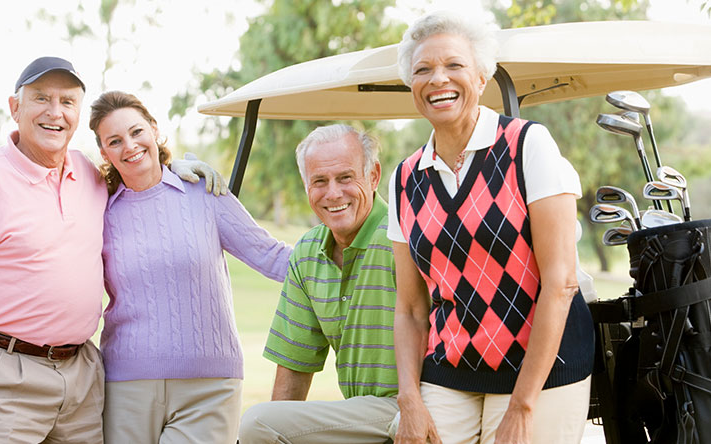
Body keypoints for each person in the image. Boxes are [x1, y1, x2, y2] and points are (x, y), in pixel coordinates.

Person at [0, 57, 221, 443]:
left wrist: (178, 165)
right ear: (15, 108)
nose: (55, 113)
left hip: (81, 378)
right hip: (3, 376)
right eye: (41, 99)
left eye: (67, 102)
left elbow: (137, 175)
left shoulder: (88, 174)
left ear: (78, 112)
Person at [390, 11, 595, 444]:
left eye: (454, 65)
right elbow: (410, 310)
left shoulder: (528, 145)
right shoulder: (404, 179)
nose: (437, 79)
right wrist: (409, 398)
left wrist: (523, 407)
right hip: (451, 368)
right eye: (422, 69)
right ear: (411, 85)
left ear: (482, 76)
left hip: (542, 366)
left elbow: (561, 283)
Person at [88, 90, 292, 444]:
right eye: (115, 141)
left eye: (137, 132)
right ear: (104, 152)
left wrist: (353, 259)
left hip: (209, 386)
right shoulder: (98, 210)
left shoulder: (204, 193)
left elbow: (271, 255)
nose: (130, 146)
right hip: (125, 385)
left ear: (154, 129)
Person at [239, 124, 399, 444]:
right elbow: (295, 366)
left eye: (345, 178)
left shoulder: (404, 235)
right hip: (363, 416)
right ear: (306, 186)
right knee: (263, 425)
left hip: (415, 405)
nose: (333, 193)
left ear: (373, 176)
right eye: (320, 182)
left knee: (257, 422)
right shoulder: (308, 253)